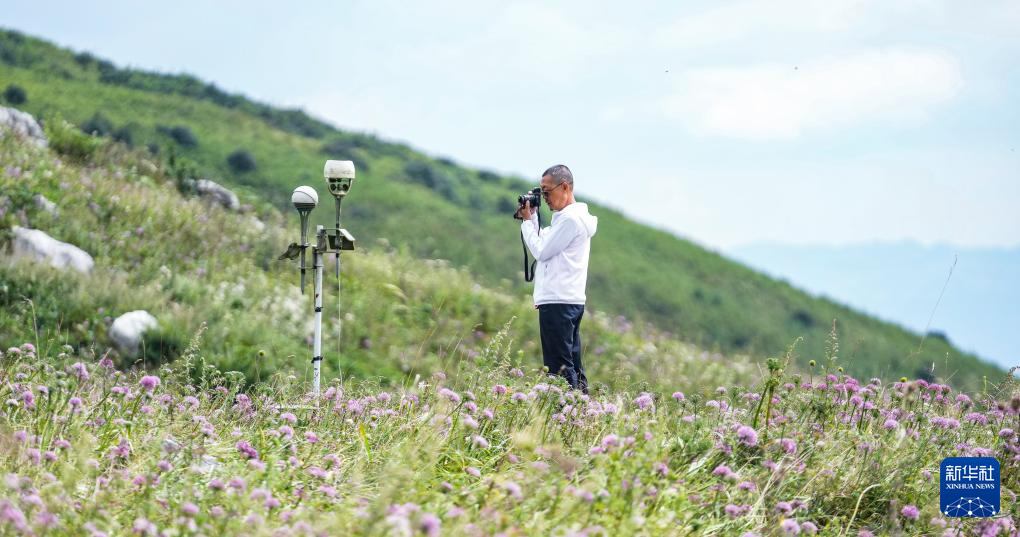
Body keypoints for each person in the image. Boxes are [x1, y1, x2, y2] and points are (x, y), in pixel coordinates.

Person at [516, 164, 598, 393]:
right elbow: (546, 244)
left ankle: (567, 414)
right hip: (568, 300)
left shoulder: (570, 220)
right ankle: (583, 412)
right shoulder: (569, 218)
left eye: (546, 191)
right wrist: (532, 219)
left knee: (559, 367)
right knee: (572, 363)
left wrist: (525, 223)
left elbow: (541, 252)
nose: (544, 198)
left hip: (558, 302)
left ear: (564, 187)